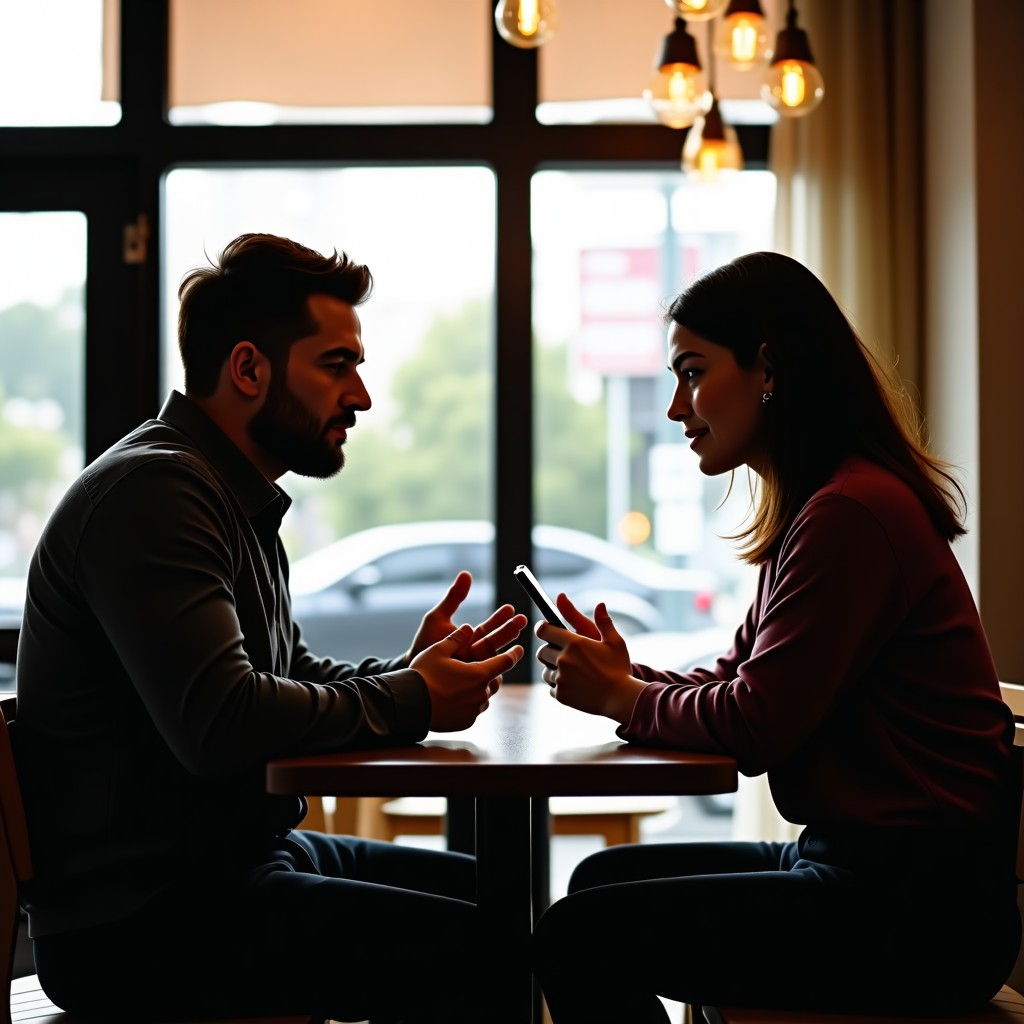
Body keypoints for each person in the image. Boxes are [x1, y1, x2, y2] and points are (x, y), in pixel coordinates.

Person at [14, 232, 526, 1024]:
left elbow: (285, 675)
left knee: (513, 911)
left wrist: (410, 670)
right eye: (336, 365)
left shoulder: (223, 491)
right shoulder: (156, 492)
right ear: (248, 368)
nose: (360, 396)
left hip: (231, 864)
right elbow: (223, 722)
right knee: (484, 945)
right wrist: (413, 698)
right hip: (141, 922)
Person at [531, 251, 1021, 1022]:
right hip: (861, 868)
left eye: (692, 372)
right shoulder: (824, 507)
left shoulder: (851, 514)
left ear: (767, 366)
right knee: (597, 885)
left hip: (916, 910)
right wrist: (634, 681)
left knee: (577, 935)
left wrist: (625, 698)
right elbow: (743, 681)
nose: (675, 407)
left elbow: (757, 724)